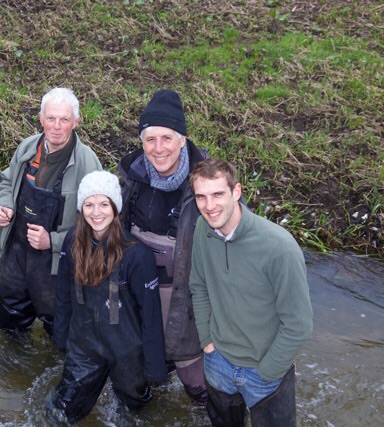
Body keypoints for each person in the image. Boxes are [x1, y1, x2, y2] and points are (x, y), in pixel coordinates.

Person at [188, 158, 313, 426]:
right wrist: (207, 342)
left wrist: (269, 370)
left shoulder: (280, 248)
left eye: (218, 194)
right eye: (201, 197)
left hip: (266, 371)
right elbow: (198, 285)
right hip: (218, 362)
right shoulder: (202, 228)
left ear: (236, 192)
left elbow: (299, 324)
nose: (209, 207)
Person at [47, 171, 167, 424]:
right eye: (89, 204)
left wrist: (155, 367)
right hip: (85, 345)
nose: (96, 212)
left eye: (104, 204)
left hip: (127, 351)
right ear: (81, 208)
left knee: (133, 412)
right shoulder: (72, 240)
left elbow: (151, 315)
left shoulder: (137, 255)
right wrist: (60, 336)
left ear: (115, 208)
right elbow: (64, 293)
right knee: (59, 412)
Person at [117, 89, 208, 405]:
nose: (158, 149)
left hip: (189, 306)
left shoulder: (207, 182)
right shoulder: (130, 176)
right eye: (150, 139)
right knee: (141, 376)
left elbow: (240, 241)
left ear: (183, 139)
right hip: (139, 296)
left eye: (167, 138)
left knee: (201, 386)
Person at [0, 87, 102, 335]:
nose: (56, 126)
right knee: (10, 321)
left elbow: (99, 224)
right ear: (41, 119)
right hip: (16, 254)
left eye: (64, 120)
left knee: (59, 329)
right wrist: (5, 206)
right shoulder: (27, 148)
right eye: (51, 118)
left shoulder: (88, 163)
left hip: (58, 263)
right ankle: (15, 371)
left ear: (76, 122)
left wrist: (52, 241)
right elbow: (7, 182)